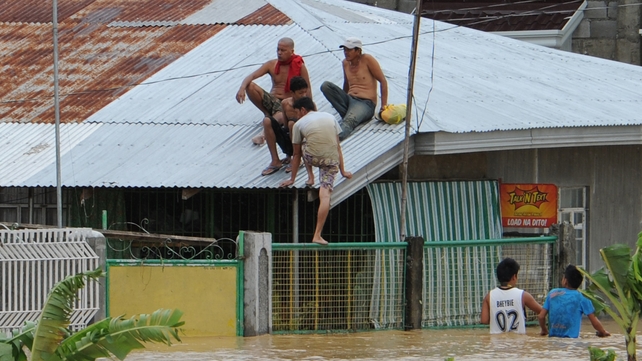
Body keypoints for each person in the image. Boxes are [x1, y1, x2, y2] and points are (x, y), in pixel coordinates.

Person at [279, 97, 352, 245]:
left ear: (303, 110)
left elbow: (296, 154)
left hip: (312, 158)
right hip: (332, 162)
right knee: (325, 196)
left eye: (297, 112)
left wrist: (292, 179)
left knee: (304, 143)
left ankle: (311, 177)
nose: (297, 116)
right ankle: (317, 234)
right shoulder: (331, 117)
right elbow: (337, 146)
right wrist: (343, 171)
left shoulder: (299, 124)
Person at [235, 37, 312, 175]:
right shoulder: (272, 64)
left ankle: (265, 134)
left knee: (281, 114)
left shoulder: (299, 66)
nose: (279, 52)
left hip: (288, 103)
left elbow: (308, 90)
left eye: (283, 50)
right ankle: (267, 116)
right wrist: (241, 87)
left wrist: (310, 111)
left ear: (291, 51)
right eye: (278, 49)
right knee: (250, 86)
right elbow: (251, 76)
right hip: (273, 100)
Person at [320, 37, 388, 140]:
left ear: (358, 51)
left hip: (365, 103)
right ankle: (350, 115)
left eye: (349, 50)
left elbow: (383, 81)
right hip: (350, 99)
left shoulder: (367, 59)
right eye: (344, 50)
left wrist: (383, 106)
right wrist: (340, 99)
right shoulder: (345, 63)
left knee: (349, 122)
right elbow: (346, 83)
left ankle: (331, 140)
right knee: (325, 86)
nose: (346, 53)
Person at [538, 264, 610, 338]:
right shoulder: (583, 297)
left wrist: (544, 330)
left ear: (565, 281)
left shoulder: (552, 293)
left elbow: (541, 316)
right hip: (572, 342)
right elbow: (594, 322)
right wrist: (603, 332)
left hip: (552, 340)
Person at [481, 258, 546, 335]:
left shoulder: (489, 296)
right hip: (518, 343)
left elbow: (484, 320)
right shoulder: (523, 295)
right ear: (514, 277)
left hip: (497, 344)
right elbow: (542, 311)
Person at [280, 76, 309, 173]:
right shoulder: (285, 103)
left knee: (292, 124)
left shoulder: (308, 104)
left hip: (305, 136)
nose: (304, 95)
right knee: (268, 122)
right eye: (300, 93)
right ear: (292, 93)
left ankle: (297, 159)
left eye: (305, 92)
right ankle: (277, 159)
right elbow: (285, 125)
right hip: (291, 135)